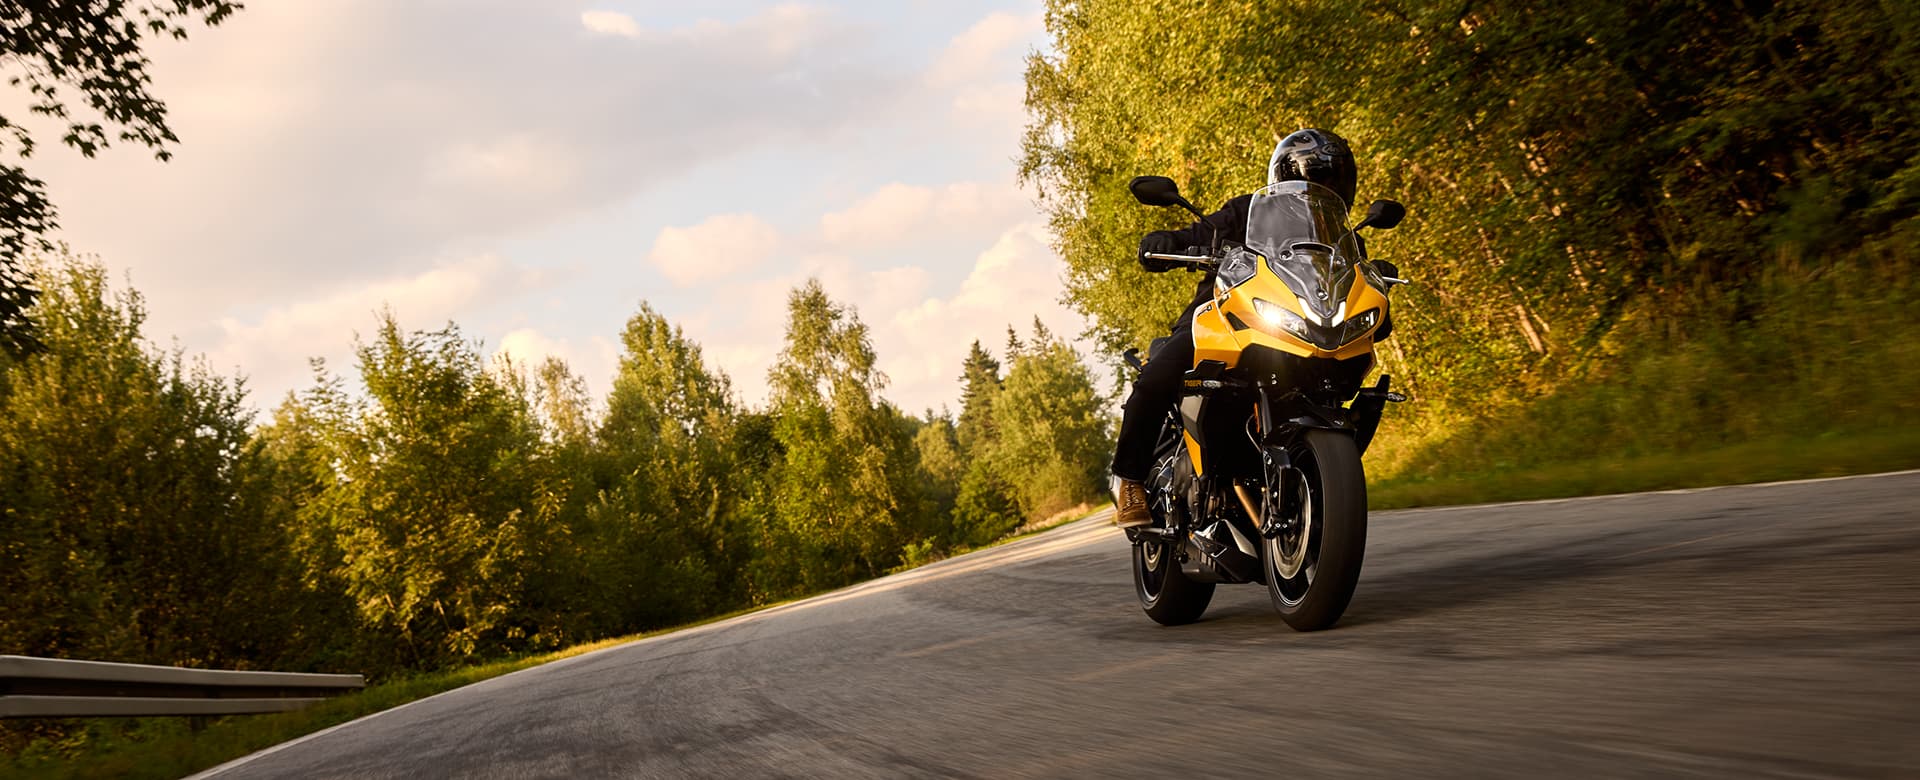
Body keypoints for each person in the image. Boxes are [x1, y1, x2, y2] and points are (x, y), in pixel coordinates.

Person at [1111, 128, 1360, 529]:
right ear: (1288, 175)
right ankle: (1131, 480)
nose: (1327, 187)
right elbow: (1200, 232)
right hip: (1225, 316)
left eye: (1335, 179)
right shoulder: (1248, 211)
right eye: (1320, 177)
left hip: (1297, 327)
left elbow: (1353, 273)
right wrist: (1166, 243)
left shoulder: (1340, 234)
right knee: (1159, 375)